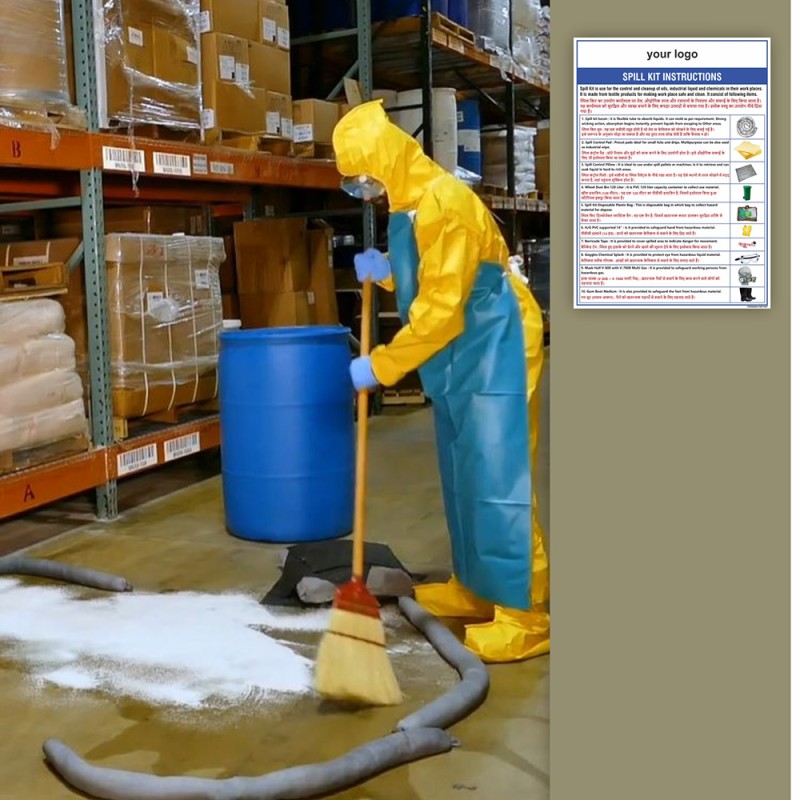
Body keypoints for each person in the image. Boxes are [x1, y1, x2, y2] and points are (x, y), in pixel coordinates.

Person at [333, 100, 550, 663]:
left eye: (365, 177)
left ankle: (526, 616)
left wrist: (382, 365)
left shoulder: (445, 203)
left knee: (498, 477)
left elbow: (440, 313)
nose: (365, 191)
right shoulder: (408, 205)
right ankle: (476, 587)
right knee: (463, 475)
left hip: (496, 344)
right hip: (462, 354)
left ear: (386, 159)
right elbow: (427, 276)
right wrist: (386, 273)